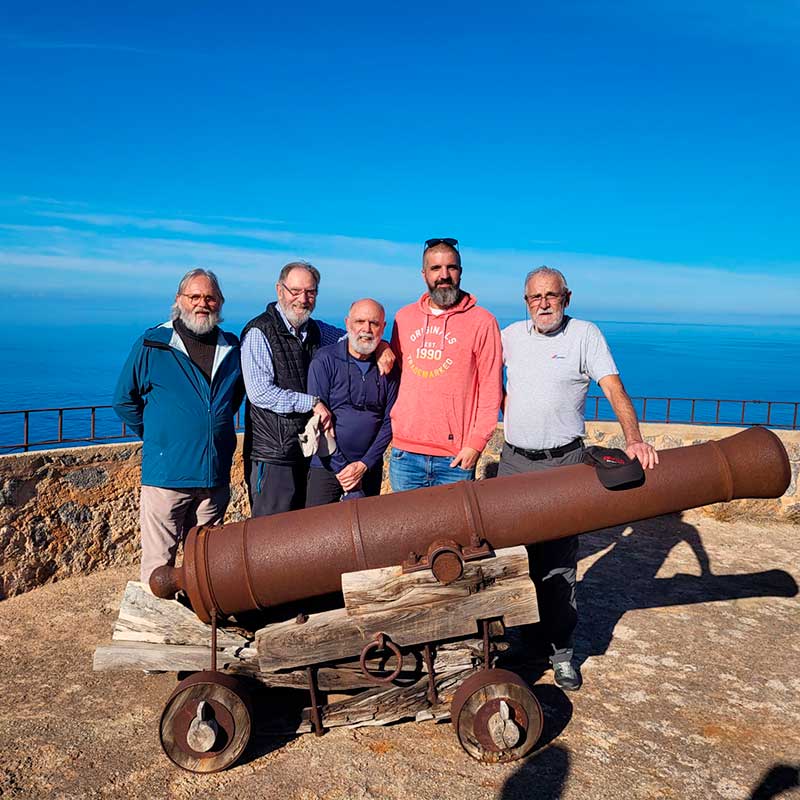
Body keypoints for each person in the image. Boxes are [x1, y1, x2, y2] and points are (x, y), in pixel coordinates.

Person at [500, 265, 658, 691]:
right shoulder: (510, 336)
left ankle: (562, 652)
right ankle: (526, 641)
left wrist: (634, 439)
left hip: (563, 463)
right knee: (516, 559)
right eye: (535, 297)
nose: (544, 304)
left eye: (552, 296)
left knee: (557, 564)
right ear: (526, 301)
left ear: (566, 297)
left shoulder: (585, 334)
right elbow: (474, 380)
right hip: (514, 460)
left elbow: (613, 388)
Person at [112, 268, 244, 584]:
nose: (202, 303)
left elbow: (232, 401)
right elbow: (123, 400)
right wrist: (160, 439)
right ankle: (153, 627)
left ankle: (202, 624)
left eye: (210, 297)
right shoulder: (153, 344)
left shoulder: (231, 348)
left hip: (213, 478)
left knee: (207, 566)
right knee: (159, 569)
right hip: (166, 478)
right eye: (194, 296)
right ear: (178, 300)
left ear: (220, 302)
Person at [241, 261, 393, 516]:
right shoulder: (259, 332)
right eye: (295, 291)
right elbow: (260, 393)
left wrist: (383, 346)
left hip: (305, 452)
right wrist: (312, 402)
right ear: (280, 291)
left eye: (310, 292)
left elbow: (354, 336)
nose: (303, 299)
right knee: (270, 535)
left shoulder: (315, 330)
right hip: (274, 455)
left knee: (303, 534)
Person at [389, 237, 503, 490]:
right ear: (424, 274)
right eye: (436, 268)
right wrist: (381, 349)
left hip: (455, 458)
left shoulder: (483, 321)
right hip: (405, 454)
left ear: (460, 272)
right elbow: (396, 373)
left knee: (454, 531)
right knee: (407, 529)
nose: (444, 275)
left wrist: (475, 444)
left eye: (451, 267)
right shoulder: (403, 318)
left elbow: (490, 389)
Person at [305, 298, 399, 505]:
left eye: (374, 323)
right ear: (348, 323)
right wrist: (344, 472)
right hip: (327, 466)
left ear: (383, 328)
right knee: (316, 530)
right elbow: (319, 421)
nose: (366, 329)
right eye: (359, 322)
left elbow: (389, 421)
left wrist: (364, 465)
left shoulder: (389, 370)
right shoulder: (325, 360)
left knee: (366, 534)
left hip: (369, 468)